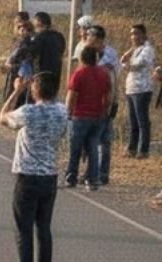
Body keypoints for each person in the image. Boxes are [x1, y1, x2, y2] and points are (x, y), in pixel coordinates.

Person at [0, 72, 67, 262]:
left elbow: (3, 118)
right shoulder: (61, 111)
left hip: (27, 175)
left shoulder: (29, 111)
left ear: (36, 89)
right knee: (44, 230)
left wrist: (16, 91)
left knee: (24, 230)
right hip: (49, 175)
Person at [64, 46, 111, 190]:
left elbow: (72, 96)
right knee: (93, 147)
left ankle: (71, 177)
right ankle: (93, 179)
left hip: (80, 115)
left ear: (82, 58)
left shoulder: (79, 73)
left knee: (75, 147)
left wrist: (68, 112)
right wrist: (105, 112)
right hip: (98, 115)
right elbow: (108, 97)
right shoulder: (104, 74)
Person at [88, 26, 120, 185]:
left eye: (89, 35)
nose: (87, 38)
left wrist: (113, 102)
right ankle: (92, 173)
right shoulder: (88, 51)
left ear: (96, 38)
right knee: (92, 140)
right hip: (91, 101)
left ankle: (102, 174)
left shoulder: (109, 54)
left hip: (105, 100)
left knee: (103, 139)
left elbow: (110, 77)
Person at [120, 24, 156, 158]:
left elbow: (136, 65)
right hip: (132, 89)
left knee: (142, 121)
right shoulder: (136, 50)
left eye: (136, 33)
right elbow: (123, 61)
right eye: (132, 34)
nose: (133, 37)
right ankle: (132, 148)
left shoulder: (148, 49)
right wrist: (129, 53)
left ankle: (143, 150)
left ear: (144, 35)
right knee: (133, 121)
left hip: (142, 88)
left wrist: (126, 63)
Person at [30, 12, 67, 89]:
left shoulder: (39, 37)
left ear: (39, 22)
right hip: (56, 72)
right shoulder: (59, 36)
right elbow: (62, 50)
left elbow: (32, 53)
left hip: (42, 73)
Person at [4, 20, 36, 105]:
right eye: (20, 29)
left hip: (20, 74)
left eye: (24, 29)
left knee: (16, 98)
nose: (22, 31)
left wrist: (9, 65)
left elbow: (16, 59)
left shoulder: (26, 44)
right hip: (18, 74)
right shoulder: (20, 43)